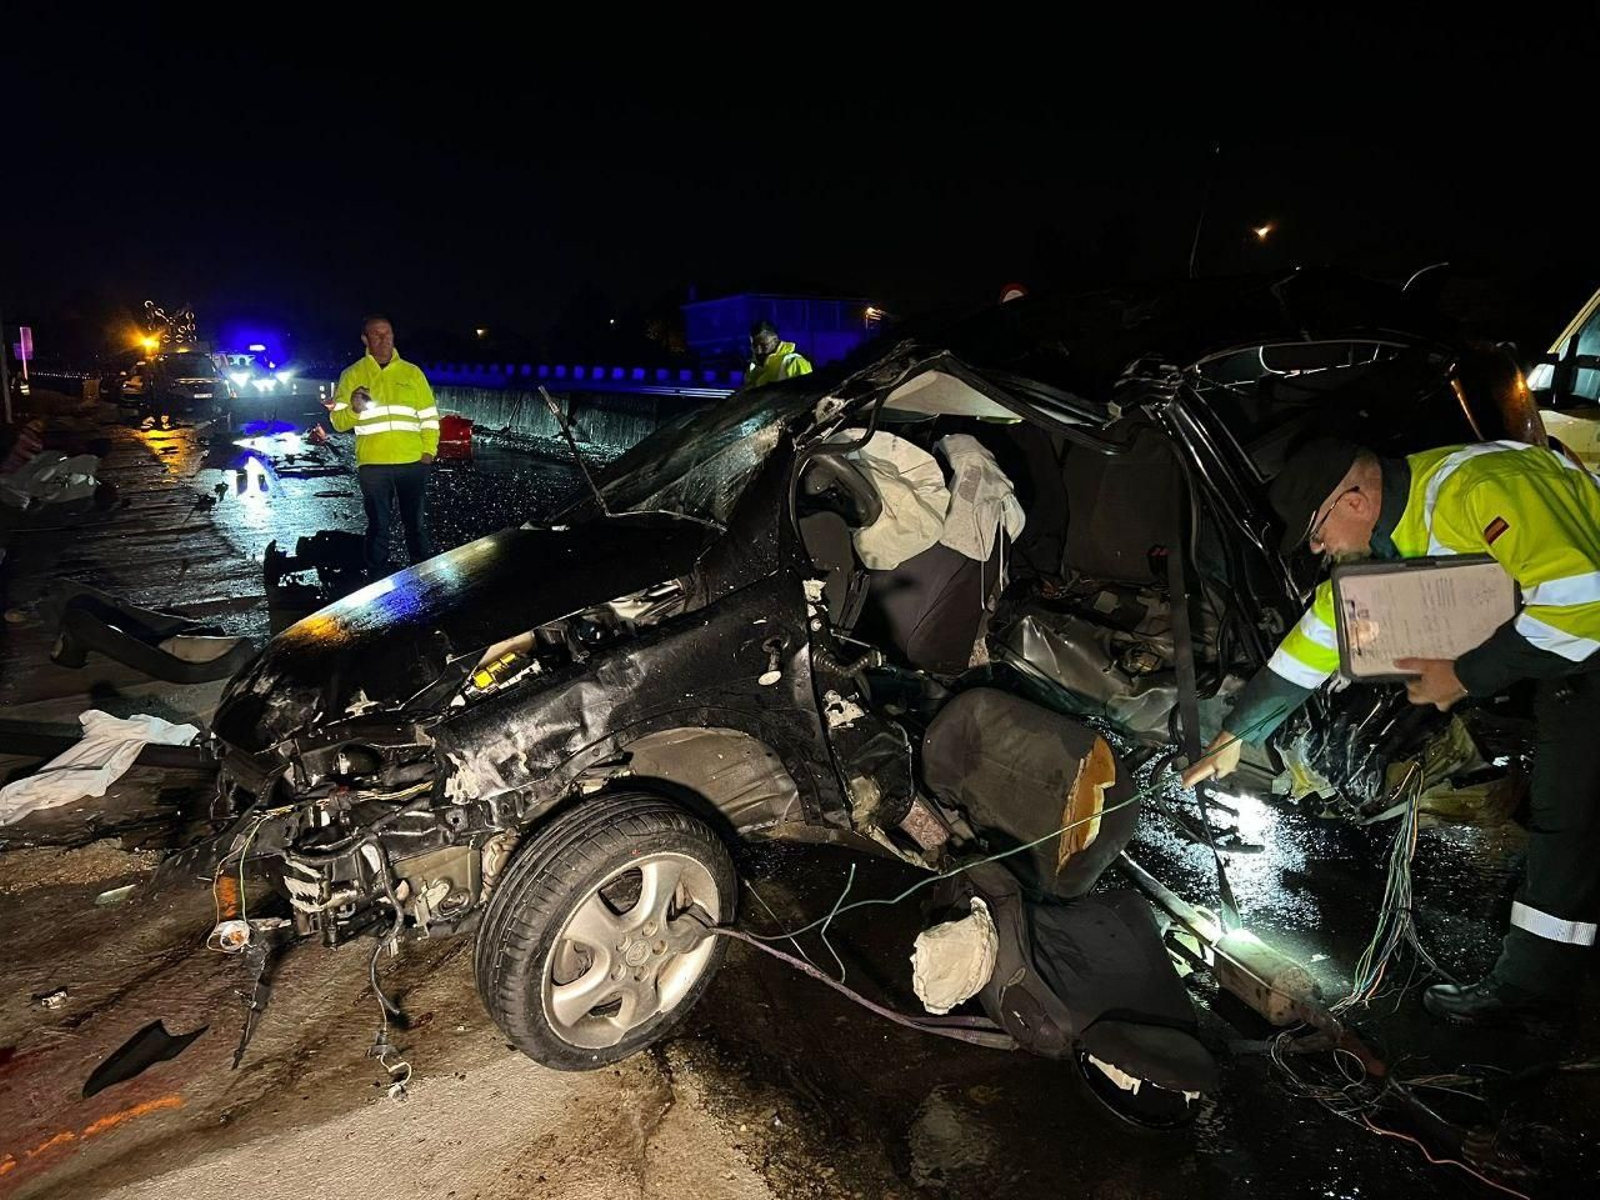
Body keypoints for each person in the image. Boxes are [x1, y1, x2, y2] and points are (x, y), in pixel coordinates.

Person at [1182, 436, 1600, 1033]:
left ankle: (1531, 994)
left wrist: (1463, 674)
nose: (1319, 548)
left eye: (1317, 531)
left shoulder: (1478, 489)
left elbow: (1583, 601)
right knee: (1565, 821)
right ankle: (1534, 987)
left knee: (1568, 824)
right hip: (1575, 663)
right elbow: (1322, 635)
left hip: (1591, 648)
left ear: (1353, 500)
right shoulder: (1393, 531)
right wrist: (1236, 733)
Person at [325, 315, 440, 575]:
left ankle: (426, 580)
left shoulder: (412, 373)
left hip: (412, 463)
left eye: (387, 333)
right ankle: (376, 581)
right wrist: (354, 409)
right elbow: (338, 422)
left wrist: (428, 452)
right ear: (365, 339)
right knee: (378, 528)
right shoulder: (352, 374)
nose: (383, 338)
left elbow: (429, 416)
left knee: (417, 527)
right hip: (373, 466)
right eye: (376, 334)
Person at [744, 319, 812, 388]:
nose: (758, 350)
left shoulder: (794, 362)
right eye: (755, 346)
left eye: (763, 345)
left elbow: (807, 394)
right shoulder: (754, 368)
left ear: (775, 340)